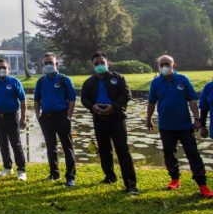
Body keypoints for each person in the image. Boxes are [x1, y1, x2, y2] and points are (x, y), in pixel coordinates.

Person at [147, 54, 213, 198]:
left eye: (167, 64)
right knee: (169, 154)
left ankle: (202, 184)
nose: (164, 66)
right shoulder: (155, 83)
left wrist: (197, 119)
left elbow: (192, 101)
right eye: (161, 64)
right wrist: (148, 119)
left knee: (193, 155)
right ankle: (175, 179)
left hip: (184, 126)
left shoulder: (183, 80)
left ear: (173, 65)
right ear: (158, 67)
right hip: (166, 126)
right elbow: (151, 103)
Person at [81, 52, 138, 195]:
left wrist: (113, 106)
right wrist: (92, 107)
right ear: (92, 65)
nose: (99, 66)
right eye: (96, 64)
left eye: (102, 62)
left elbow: (126, 95)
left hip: (116, 118)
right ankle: (110, 176)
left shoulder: (118, 78)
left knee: (122, 150)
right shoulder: (89, 82)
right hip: (99, 119)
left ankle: (131, 184)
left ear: (108, 63)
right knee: (104, 150)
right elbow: (84, 99)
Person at [34, 52, 76, 187]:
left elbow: (72, 100)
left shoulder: (64, 80)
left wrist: (69, 117)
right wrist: (38, 116)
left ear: (56, 64)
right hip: (46, 118)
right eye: (45, 63)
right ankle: (54, 173)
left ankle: (70, 177)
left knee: (67, 147)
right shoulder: (40, 81)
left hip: (62, 117)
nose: (48, 65)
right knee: (51, 147)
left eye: (50, 63)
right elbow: (36, 100)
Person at [0, 59, 27, 181]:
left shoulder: (14, 82)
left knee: (16, 144)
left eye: (4, 67)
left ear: (8, 69)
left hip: (12, 116)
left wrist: (23, 117)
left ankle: (21, 170)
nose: (1, 69)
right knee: (3, 144)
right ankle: (7, 167)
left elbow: (23, 100)